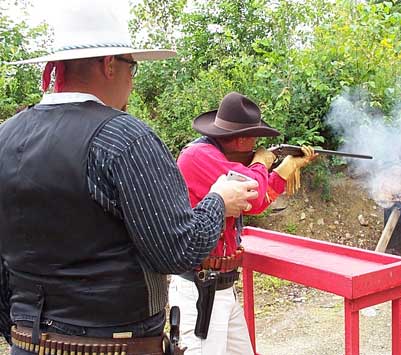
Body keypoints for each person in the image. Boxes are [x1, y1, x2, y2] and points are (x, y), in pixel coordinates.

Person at [0, 2, 258, 354]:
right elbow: (178, 252)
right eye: (132, 67)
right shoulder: (125, 138)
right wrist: (218, 202)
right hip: (114, 344)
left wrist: (19, 331)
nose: (132, 81)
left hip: (27, 343)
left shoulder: (5, 137)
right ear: (109, 64)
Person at [168, 91, 316, 355]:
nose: (256, 143)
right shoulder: (198, 156)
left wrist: (282, 172)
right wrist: (262, 163)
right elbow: (253, 191)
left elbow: (254, 202)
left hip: (222, 286)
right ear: (242, 138)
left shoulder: (221, 159)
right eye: (254, 137)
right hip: (200, 289)